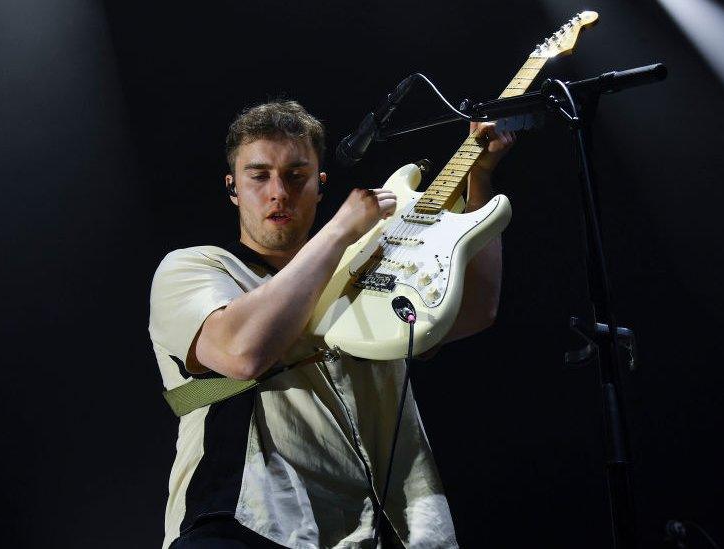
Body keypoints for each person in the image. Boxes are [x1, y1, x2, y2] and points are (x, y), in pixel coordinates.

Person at [149, 100, 514, 548]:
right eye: (259, 176)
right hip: (249, 524)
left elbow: (476, 311)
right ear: (233, 188)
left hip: (389, 528)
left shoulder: (370, 273)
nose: (278, 192)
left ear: (320, 185)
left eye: (296, 175)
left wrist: (479, 179)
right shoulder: (197, 268)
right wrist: (341, 229)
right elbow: (241, 354)